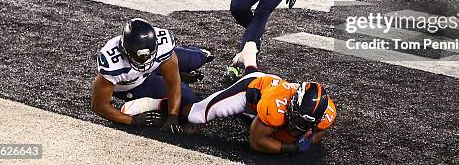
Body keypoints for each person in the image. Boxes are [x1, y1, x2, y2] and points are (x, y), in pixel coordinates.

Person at [120, 49, 336, 155]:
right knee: (195, 115)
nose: (298, 125)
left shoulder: (326, 113)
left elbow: (317, 133)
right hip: (250, 91)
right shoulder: (275, 106)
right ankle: (154, 103)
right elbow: (257, 142)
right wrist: (292, 148)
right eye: (297, 117)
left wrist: (305, 138)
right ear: (290, 105)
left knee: (277, 128)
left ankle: (248, 54)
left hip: (270, 86)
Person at [91, 18, 213, 131]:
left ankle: (194, 59)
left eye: (148, 55)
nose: (145, 60)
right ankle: (162, 89)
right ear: (125, 51)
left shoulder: (162, 46)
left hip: (158, 65)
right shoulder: (112, 63)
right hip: (135, 84)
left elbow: (173, 81)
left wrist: (173, 116)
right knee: (187, 98)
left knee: (196, 59)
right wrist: (132, 120)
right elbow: (99, 106)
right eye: (139, 57)